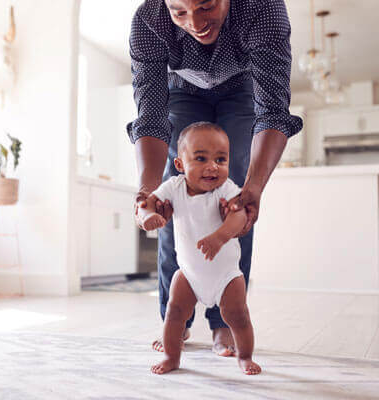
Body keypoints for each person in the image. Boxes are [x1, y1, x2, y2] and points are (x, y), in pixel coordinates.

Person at [127, 0, 303, 356]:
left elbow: (272, 110)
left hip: (242, 88)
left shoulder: (262, 9)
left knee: (233, 194)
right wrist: (148, 190)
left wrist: (253, 188)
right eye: (180, 12)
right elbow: (151, 116)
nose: (195, 22)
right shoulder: (148, 21)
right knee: (170, 197)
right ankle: (175, 319)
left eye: (206, 6)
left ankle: (225, 322)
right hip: (180, 90)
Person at [138, 122, 261, 375]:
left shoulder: (226, 189)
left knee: (238, 316)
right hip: (189, 273)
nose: (212, 166)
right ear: (181, 165)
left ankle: (245, 357)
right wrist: (148, 215)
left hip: (226, 275)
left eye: (220, 159)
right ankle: (172, 358)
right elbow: (148, 202)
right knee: (174, 313)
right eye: (201, 158)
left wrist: (219, 236)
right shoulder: (174, 187)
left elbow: (238, 218)